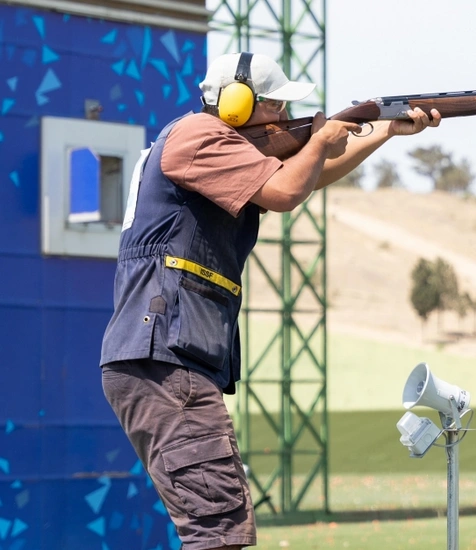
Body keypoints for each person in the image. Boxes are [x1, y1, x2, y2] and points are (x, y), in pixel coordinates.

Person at [99, 51, 441, 550]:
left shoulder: (203, 142)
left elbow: (308, 175)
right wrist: (321, 138)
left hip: (166, 356)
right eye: (276, 105)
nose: (283, 116)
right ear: (236, 106)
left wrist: (385, 132)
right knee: (218, 528)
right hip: (166, 357)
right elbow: (285, 190)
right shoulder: (198, 136)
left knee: (216, 523)